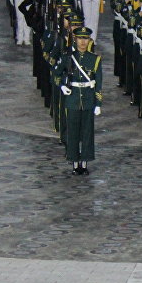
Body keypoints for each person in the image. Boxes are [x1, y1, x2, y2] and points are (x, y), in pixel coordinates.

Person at [59, 26, 102, 175]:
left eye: (85, 38)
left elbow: (99, 83)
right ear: (75, 39)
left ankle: (84, 162)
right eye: (80, 38)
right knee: (73, 133)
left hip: (88, 99)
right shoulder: (68, 57)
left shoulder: (94, 59)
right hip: (73, 98)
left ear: (89, 40)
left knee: (87, 133)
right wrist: (62, 85)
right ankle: (74, 161)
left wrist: (98, 103)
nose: (82, 42)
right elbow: (56, 73)